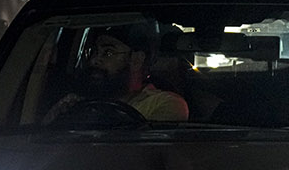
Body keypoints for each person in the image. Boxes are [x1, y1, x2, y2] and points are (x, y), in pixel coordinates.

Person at [43, 21, 189, 123]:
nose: (94, 60)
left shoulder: (165, 103)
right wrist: (59, 115)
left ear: (136, 60)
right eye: (94, 52)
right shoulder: (77, 101)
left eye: (108, 53)